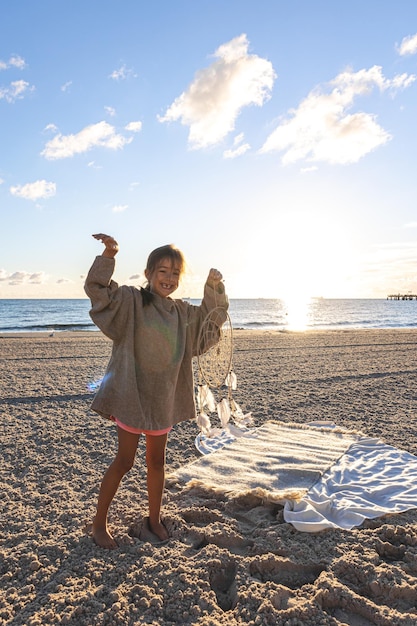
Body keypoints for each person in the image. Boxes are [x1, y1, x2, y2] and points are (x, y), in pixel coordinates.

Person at [84, 233, 228, 549]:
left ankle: (154, 519)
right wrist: (109, 255)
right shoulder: (131, 301)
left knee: (157, 464)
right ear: (149, 273)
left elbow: (208, 326)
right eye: (162, 271)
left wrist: (213, 290)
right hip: (131, 398)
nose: (169, 278)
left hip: (162, 400)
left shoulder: (181, 313)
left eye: (175, 273)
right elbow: (98, 293)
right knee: (124, 462)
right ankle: (98, 524)